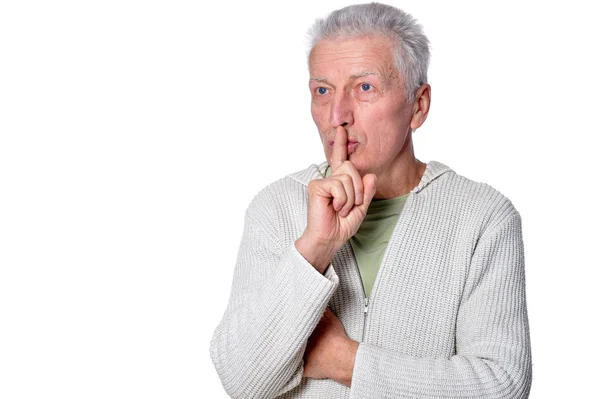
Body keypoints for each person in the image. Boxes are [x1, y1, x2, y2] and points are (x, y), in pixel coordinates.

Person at [210, 3, 532, 398]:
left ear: (419, 105)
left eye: (364, 88)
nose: (337, 115)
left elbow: (500, 386)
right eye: (322, 91)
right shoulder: (275, 208)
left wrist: (345, 361)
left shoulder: (482, 217)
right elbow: (243, 383)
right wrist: (316, 249)